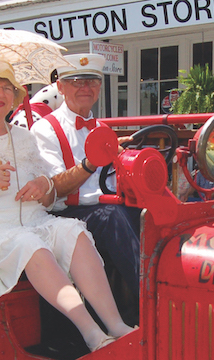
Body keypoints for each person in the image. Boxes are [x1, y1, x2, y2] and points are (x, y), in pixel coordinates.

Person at [0, 58, 134, 352]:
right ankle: (91, 334)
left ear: (15, 97)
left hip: (32, 219)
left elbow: (49, 194)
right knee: (29, 244)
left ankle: (116, 325)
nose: (0, 93)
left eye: (7, 87)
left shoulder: (23, 138)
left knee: (73, 232)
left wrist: (43, 186)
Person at [33, 54, 141, 323]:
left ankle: (157, 297)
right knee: (113, 219)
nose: (85, 87)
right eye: (76, 81)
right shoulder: (45, 130)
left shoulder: (103, 128)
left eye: (92, 81)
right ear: (60, 87)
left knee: (151, 214)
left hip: (110, 207)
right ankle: (152, 300)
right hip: (67, 214)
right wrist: (90, 163)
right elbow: (53, 189)